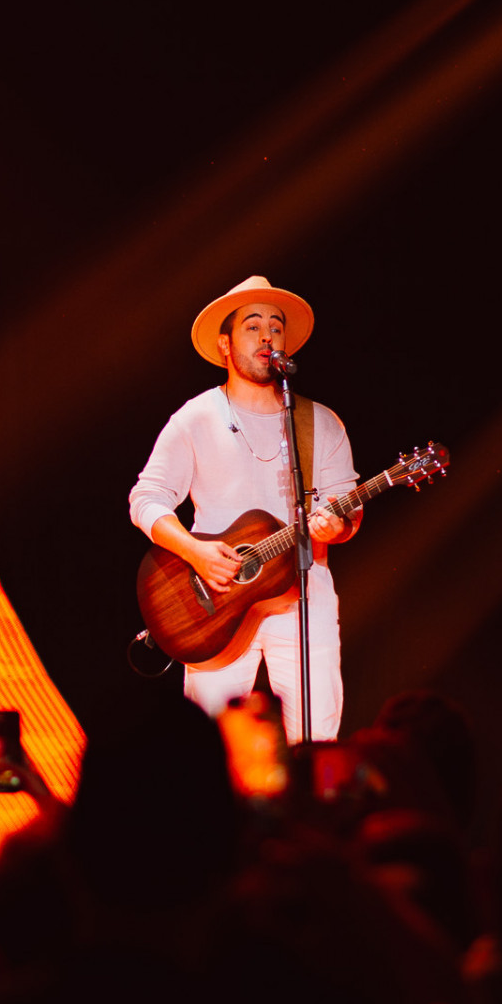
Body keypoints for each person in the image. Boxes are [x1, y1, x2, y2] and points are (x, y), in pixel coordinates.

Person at [128, 276, 361, 741]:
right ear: (225, 345)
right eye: (252, 326)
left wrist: (336, 527)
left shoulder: (319, 422)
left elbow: (347, 513)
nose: (267, 336)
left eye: (275, 327)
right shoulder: (196, 417)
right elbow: (146, 498)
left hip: (304, 597)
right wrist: (195, 552)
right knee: (210, 747)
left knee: (315, 741)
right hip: (214, 601)